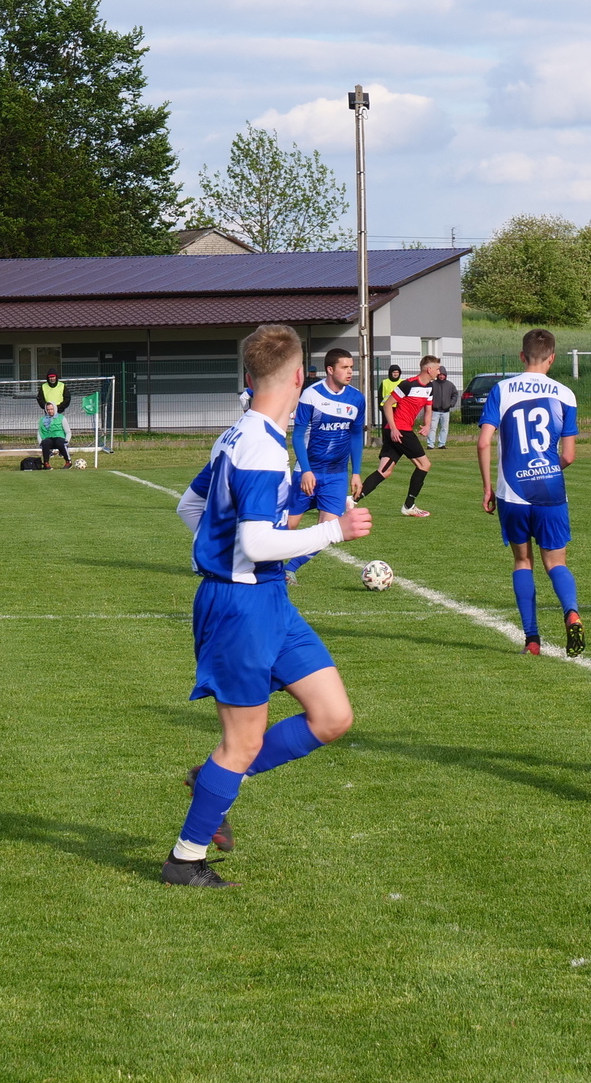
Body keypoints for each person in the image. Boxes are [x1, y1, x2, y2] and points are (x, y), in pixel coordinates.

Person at [164, 324, 373, 888]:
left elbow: (190, 508)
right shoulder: (259, 447)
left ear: (249, 375)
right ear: (301, 377)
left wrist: (225, 549)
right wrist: (334, 531)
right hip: (240, 608)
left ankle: (214, 780)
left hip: (269, 599)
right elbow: (256, 543)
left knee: (332, 716)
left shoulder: (239, 435)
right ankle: (185, 860)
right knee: (243, 742)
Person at [479, 330, 585, 657]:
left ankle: (532, 640)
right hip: (550, 489)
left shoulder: (501, 389)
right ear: (552, 358)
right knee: (556, 562)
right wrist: (546, 470)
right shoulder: (565, 394)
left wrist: (488, 487)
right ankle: (571, 612)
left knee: (522, 560)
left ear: (522, 356)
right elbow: (569, 456)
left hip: (512, 492)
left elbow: (483, 442)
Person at [286, 347, 368, 579]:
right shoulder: (311, 395)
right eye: (345, 367)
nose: (350, 371)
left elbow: (356, 437)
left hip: (337, 475)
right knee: (288, 526)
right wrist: (306, 471)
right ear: (330, 370)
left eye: (351, 367)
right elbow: (297, 436)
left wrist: (356, 472)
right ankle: (255, 564)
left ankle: (289, 570)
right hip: (308, 472)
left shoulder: (357, 399)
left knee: (328, 530)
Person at [357, 362, 434, 517]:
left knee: (384, 471)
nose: (439, 372)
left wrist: (427, 425)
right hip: (400, 430)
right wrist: (393, 428)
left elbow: (428, 409)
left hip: (398, 430)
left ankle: (352, 500)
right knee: (424, 464)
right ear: (429, 369)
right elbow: (387, 405)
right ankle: (409, 505)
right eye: (437, 369)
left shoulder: (430, 387)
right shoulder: (407, 384)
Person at [427, 361, 458, 448]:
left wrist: (451, 404)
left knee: (444, 428)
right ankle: (430, 444)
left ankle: (442, 444)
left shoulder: (450, 385)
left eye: (443, 375)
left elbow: (455, 394)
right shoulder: (432, 384)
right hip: (434, 410)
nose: (441, 376)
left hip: (446, 411)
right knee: (432, 428)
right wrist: (430, 405)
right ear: (437, 375)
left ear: (445, 375)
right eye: (440, 374)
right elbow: (428, 395)